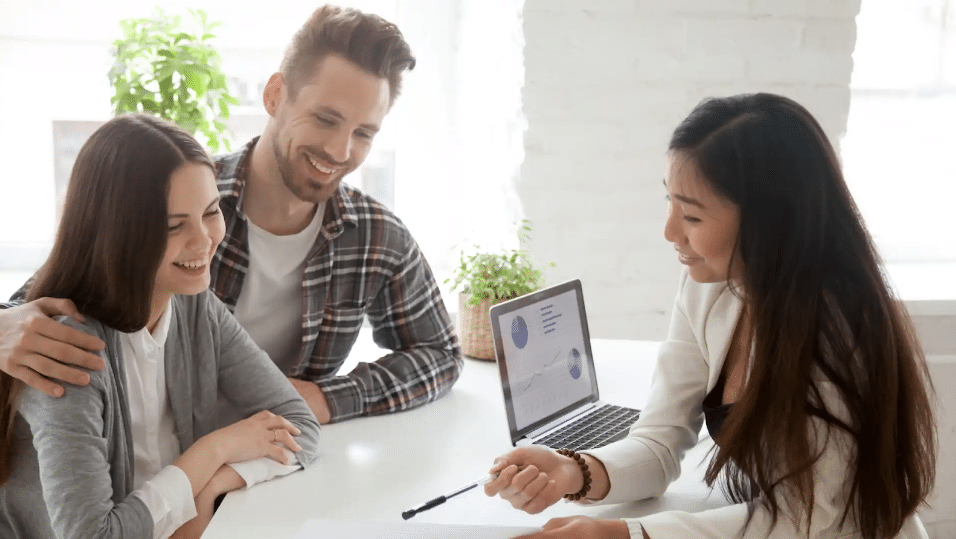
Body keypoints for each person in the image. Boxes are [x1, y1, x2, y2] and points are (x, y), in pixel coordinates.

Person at [483, 93, 937, 539]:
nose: (669, 231)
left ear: (768, 223)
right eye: (670, 202)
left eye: (693, 217)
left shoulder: (837, 331)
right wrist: (573, 470)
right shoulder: (711, 285)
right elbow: (659, 442)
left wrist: (621, 534)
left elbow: (807, 517)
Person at [0, 5, 462, 425]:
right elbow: (35, 302)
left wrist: (328, 398)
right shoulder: (181, 201)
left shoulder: (376, 237)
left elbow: (441, 354)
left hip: (268, 465)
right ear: (276, 95)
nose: (340, 151)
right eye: (325, 119)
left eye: (363, 132)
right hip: (154, 470)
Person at [0, 114, 321, 539]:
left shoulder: (196, 309)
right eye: (173, 226)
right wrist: (212, 451)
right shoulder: (66, 348)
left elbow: (300, 425)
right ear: (118, 233)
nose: (204, 240)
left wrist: (209, 486)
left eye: (210, 212)